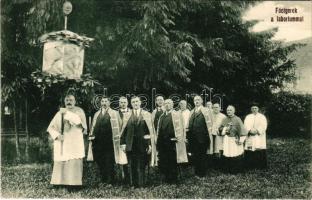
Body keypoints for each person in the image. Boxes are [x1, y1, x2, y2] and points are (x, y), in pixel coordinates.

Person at [47, 93, 87, 189]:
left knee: (74, 161)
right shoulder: (59, 113)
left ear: (75, 101)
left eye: (71, 100)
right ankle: (59, 183)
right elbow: (50, 128)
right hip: (63, 142)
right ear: (64, 102)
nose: (69, 102)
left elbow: (80, 123)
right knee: (61, 161)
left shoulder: (79, 111)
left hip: (75, 142)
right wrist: (57, 135)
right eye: (67, 100)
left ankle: (74, 184)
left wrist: (66, 114)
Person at [120, 96, 156, 187]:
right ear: (131, 104)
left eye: (137, 101)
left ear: (140, 103)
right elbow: (123, 130)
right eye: (133, 102)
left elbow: (150, 131)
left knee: (142, 164)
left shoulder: (147, 114)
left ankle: (141, 184)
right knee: (131, 164)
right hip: (130, 144)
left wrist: (149, 145)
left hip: (142, 144)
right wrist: (123, 143)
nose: (135, 103)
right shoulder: (127, 115)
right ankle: (133, 184)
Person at [89, 97, 122, 184]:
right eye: (102, 101)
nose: (104, 103)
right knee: (100, 160)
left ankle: (111, 181)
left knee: (109, 161)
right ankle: (103, 180)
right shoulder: (97, 114)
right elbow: (93, 126)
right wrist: (92, 136)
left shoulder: (115, 113)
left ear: (109, 103)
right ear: (100, 103)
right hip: (98, 142)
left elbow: (120, 126)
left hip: (110, 142)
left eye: (106, 101)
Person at [156, 99, 188, 184]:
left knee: (172, 161)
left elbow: (182, 128)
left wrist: (178, 138)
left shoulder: (177, 114)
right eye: (165, 103)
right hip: (163, 142)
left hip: (172, 141)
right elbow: (159, 130)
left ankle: (174, 179)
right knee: (164, 160)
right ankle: (167, 178)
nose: (167, 105)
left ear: (172, 104)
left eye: (169, 103)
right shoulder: (162, 116)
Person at [188, 95, 213, 177]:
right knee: (195, 155)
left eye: (198, 100)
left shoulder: (206, 111)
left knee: (202, 155)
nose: (197, 101)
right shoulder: (192, 111)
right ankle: (197, 172)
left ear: (202, 101)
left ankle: (202, 173)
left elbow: (211, 124)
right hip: (193, 138)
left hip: (202, 138)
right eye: (195, 100)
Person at [219, 105, 247, 173]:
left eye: (230, 110)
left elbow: (242, 130)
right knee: (227, 153)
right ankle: (227, 169)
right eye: (228, 110)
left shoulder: (237, 119)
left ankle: (236, 170)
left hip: (235, 139)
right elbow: (220, 128)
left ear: (234, 111)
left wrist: (241, 140)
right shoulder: (224, 119)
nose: (229, 111)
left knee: (235, 153)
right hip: (227, 139)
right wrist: (224, 129)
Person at [244, 103, 268, 169]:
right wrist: (250, 130)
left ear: (258, 109)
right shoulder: (248, 117)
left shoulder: (262, 117)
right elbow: (246, 125)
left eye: (256, 108)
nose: (254, 110)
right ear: (251, 109)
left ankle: (260, 166)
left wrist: (257, 131)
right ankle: (250, 166)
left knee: (259, 149)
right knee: (250, 149)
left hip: (259, 136)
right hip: (250, 136)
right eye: (253, 108)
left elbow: (263, 126)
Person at [211, 103, 226, 167]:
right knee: (212, 148)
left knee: (219, 148)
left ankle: (219, 164)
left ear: (220, 108)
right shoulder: (210, 115)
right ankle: (212, 163)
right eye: (214, 107)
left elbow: (225, 126)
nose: (215, 109)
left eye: (217, 107)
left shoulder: (223, 116)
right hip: (211, 134)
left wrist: (220, 130)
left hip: (219, 135)